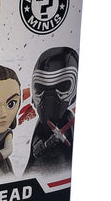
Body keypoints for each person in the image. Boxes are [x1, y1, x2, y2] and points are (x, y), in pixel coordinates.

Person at [24, 47, 78, 175]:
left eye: (62, 86)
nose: (49, 99)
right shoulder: (42, 124)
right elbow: (34, 151)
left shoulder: (67, 119)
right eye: (41, 88)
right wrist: (41, 145)